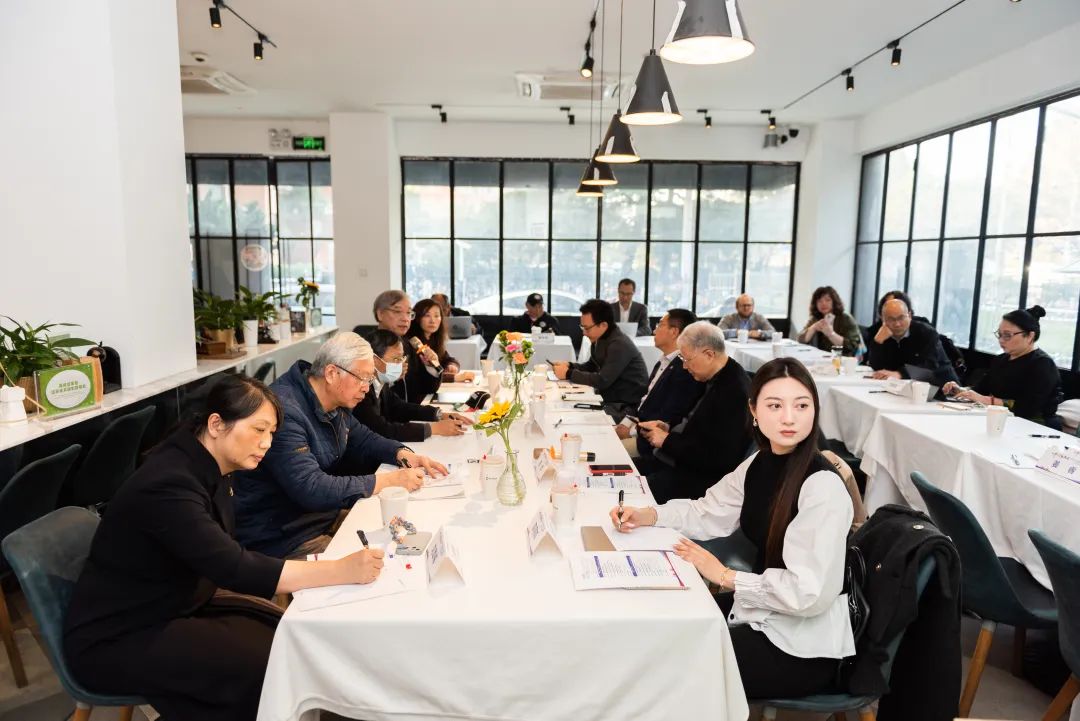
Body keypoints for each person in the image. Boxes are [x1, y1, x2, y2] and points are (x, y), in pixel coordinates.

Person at [64, 375, 387, 721]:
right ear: (216, 424)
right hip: (120, 636)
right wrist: (339, 570)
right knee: (265, 663)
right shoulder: (168, 484)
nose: (267, 443)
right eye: (259, 430)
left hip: (177, 604)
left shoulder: (206, 463)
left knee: (286, 639)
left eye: (272, 433)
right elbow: (234, 567)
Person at [611, 358, 855, 699]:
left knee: (672, 665)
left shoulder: (822, 487)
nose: (789, 417)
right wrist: (648, 514)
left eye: (801, 405)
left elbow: (808, 593)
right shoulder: (761, 462)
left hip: (802, 644)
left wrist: (725, 576)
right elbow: (707, 511)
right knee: (661, 629)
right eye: (775, 406)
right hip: (763, 610)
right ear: (754, 410)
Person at [233, 333, 446, 558]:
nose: (366, 388)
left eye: (370, 379)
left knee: (407, 532)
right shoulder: (286, 411)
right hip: (283, 536)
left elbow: (364, 438)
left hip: (319, 518)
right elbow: (312, 488)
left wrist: (402, 453)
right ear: (332, 373)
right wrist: (390, 480)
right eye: (362, 378)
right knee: (385, 560)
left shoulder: (334, 399)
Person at [634, 322, 752, 503]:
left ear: (709, 354)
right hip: (679, 461)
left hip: (700, 480)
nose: (684, 366)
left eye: (687, 359)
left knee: (628, 489)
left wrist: (667, 440)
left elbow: (719, 459)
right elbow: (694, 424)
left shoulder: (734, 391)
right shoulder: (710, 376)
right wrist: (667, 427)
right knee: (621, 470)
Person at [943, 305, 1062, 424]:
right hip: (1002, 421)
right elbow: (981, 390)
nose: (1001, 340)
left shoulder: (1043, 364)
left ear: (1030, 336)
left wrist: (985, 400)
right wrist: (961, 391)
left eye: (1007, 335)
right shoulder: (1001, 360)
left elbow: (1027, 408)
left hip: (1035, 425)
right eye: (999, 334)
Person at [353, 329, 474, 442]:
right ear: (375, 360)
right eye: (396, 359)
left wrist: (438, 414)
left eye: (402, 358)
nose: (401, 364)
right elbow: (382, 430)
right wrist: (432, 429)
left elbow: (399, 407)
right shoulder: (361, 390)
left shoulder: (380, 382)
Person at [615, 309, 705, 460]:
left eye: (660, 325)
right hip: (637, 426)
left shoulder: (684, 369)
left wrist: (630, 432)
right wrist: (626, 423)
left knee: (601, 451)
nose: (654, 330)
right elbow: (644, 401)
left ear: (674, 332)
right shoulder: (664, 360)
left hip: (649, 442)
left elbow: (668, 416)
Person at [551, 299, 648, 420]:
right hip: (610, 397)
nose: (584, 333)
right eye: (582, 327)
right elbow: (592, 365)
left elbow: (602, 380)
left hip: (625, 407)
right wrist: (570, 366)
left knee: (574, 417)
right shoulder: (602, 338)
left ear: (603, 325)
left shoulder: (619, 344)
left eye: (587, 328)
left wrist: (568, 374)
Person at [369, 289, 441, 405]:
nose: (405, 319)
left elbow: (427, 389)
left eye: (408, 313)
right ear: (380, 314)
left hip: (412, 412)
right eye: (397, 312)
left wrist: (431, 366)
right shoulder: (368, 347)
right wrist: (389, 379)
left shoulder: (409, 344)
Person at [866, 298, 958, 386]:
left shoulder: (926, 332)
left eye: (901, 318)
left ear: (909, 315)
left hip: (942, 386)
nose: (897, 324)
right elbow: (876, 366)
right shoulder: (883, 333)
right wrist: (877, 342)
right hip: (903, 386)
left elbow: (929, 365)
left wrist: (900, 374)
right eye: (891, 319)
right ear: (883, 319)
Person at [404, 298, 474, 403]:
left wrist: (452, 365)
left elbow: (448, 359)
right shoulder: (413, 342)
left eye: (437, 316)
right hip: (416, 399)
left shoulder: (433, 339)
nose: (432, 320)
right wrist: (454, 378)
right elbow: (421, 376)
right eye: (427, 315)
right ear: (417, 318)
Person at [797, 286, 862, 356]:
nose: (823, 303)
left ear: (834, 301)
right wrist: (813, 328)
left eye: (827, 300)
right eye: (819, 301)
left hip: (841, 358)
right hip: (819, 357)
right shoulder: (815, 318)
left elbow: (852, 346)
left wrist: (831, 334)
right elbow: (800, 339)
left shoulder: (846, 318)